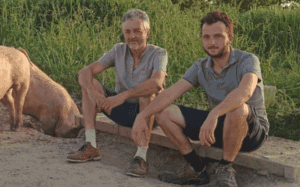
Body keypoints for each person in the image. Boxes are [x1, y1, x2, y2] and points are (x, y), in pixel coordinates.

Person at [131, 10, 269, 187]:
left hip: (250, 132)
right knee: (164, 112)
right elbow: (170, 93)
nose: (212, 42)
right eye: (207, 37)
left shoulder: (248, 60)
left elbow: (245, 92)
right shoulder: (200, 66)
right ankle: (196, 168)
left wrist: (214, 114)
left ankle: (226, 169)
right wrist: (142, 116)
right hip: (218, 127)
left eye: (218, 36)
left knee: (238, 107)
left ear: (230, 38)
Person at [67, 9, 168, 177]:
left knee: (147, 93)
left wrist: (122, 96)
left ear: (147, 32)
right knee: (89, 83)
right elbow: (84, 72)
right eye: (128, 32)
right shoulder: (119, 50)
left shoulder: (159, 53)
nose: (132, 36)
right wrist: (93, 94)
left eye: (137, 31)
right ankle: (91, 145)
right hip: (120, 109)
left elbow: (157, 83)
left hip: (148, 114)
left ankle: (141, 157)